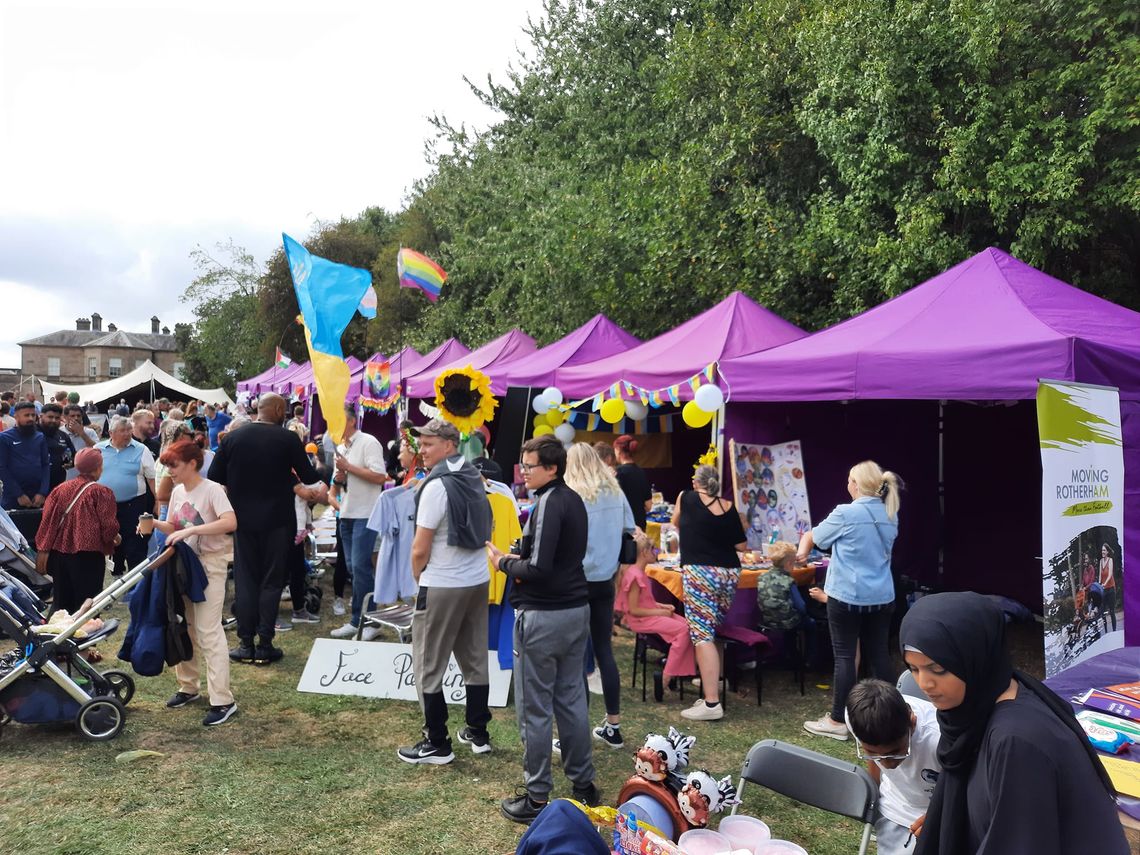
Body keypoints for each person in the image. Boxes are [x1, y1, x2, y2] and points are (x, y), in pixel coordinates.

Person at [899, 591, 1128, 855]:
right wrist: (954, 818)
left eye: (938, 669)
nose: (925, 683)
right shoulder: (977, 708)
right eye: (913, 669)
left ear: (975, 658)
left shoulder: (1017, 741)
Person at [487, 435, 599, 824]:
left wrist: (503, 562)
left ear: (551, 468)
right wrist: (522, 556)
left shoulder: (550, 502)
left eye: (530, 466)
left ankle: (536, 797)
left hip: (545, 616)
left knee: (535, 709)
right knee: (571, 701)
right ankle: (583, 785)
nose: (523, 472)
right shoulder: (571, 499)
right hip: (573, 611)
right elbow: (554, 559)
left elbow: (539, 570)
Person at [397, 418, 493, 766]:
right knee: (474, 658)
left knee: (427, 664)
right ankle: (478, 732)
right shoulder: (473, 475)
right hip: (476, 579)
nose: (420, 450)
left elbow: (420, 548)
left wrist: (416, 576)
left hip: (442, 583)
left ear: (448, 445)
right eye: (420, 444)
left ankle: (437, 741)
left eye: (427, 444)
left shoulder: (436, 486)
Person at [208, 392, 320, 665]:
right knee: (271, 581)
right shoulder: (288, 439)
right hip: (278, 521)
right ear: (280, 410)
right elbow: (309, 477)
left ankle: (246, 644)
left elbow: (214, 476)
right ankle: (265, 643)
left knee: (246, 579)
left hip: (243, 520)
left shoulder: (233, 438)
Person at [800, 460, 901, 741]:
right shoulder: (890, 512)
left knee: (845, 657)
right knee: (879, 654)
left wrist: (801, 550)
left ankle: (837, 721)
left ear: (855, 484)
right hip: (882, 595)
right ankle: (897, 713)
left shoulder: (846, 513)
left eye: (849, 480)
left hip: (847, 595)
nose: (847, 484)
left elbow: (817, 537)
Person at [150, 439, 239, 726]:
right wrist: (152, 524)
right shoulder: (177, 492)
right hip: (183, 567)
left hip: (211, 566)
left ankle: (223, 700)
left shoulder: (212, 489)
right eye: (166, 466)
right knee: (184, 625)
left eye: (173, 466)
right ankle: (188, 686)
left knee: (208, 630)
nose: (169, 471)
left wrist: (192, 531)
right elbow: (176, 527)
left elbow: (230, 522)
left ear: (192, 463)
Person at [563, 443, 635, 749]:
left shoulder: (571, 493)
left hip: (577, 580)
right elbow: (630, 529)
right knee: (604, 650)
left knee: (578, 655)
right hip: (605, 578)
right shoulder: (615, 492)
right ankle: (613, 724)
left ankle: (578, 730)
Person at [671, 463, 746, 721]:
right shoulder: (728, 506)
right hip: (729, 572)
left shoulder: (686, 497)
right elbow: (742, 545)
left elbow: (675, 521)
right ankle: (716, 679)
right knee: (713, 628)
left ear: (696, 482)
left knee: (702, 634)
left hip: (700, 571)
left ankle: (712, 703)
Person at [845, 679, 941, 855]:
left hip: (938, 812)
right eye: (874, 752)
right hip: (894, 807)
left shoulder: (939, 739)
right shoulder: (856, 718)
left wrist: (938, 818)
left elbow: (966, 789)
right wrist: (874, 794)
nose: (887, 764)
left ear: (912, 723)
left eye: (895, 751)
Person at [329, 402, 389, 638]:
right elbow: (340, 483)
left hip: (366, 514)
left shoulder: (368, 442)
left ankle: (368, 622)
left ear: (352, 420)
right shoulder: (343, 447)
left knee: (361, 568)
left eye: (339, 420)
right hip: (347, 514)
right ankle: (360, 620)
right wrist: (340, 476)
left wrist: (349, 468)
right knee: (355, 568)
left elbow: (380, 476)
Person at [35, 448, 120, 612]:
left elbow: (47, 522)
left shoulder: (60, 489)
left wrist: (44, 547)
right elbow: (108, 527)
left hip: (59, 555)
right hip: (87, 556)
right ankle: (82, 637)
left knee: (61, 605)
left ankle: (58, 636)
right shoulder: (100, 492)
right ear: (97, 468)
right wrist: (115, 537)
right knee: (87, 606)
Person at [616, 529, 696, 681]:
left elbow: (644, 602)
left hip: (648, 616)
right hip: (641, 620)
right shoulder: (635, 576)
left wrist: (662, 607)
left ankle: (676, 671)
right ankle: (667, 676)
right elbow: (634, 610)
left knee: (688, 626)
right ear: (645, 552)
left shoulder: (640, 573)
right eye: (655, 549)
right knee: (684, 630)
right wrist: (659, 612)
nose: (657, 552)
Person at [96, 415, 157, 577]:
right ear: (111, 433)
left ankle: (137, 582)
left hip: (134, 505)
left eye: (129, 429)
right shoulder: (98, 449)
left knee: (136, 544)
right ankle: (117, 577)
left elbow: (152, 478)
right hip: (106, 507)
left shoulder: (141, 449)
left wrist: (158, 501)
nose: (127, 433)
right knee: (112, 543)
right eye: (122, 430)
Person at [0, 401, 49, 511]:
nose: (31, 418)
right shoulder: (4, 438)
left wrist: (42, 492)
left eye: (33, 415)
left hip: (38, 498)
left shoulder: (40, 437)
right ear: (16, 417)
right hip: (13, 497)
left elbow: (45, 465)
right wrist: (18, 494)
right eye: (27, 415)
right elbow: (2, 468)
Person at [613, 435, 651, 530]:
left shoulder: (616, 473)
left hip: (623, 525)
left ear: (618, 450)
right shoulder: (641, 472)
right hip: (640, 524)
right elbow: (648, 506)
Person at [38, 403, 75, 492]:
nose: (54, 420)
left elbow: (73, 455)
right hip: (35, 487)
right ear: (41, 416)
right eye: (50, 417)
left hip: (57, 486)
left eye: (57, 418)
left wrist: (71, 462)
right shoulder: (32, 434)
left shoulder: (63, 436)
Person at [1100, 543, 1117, 632]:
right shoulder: (1100, 561)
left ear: (1107, 552)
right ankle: (1106, 632)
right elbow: (1100, 576)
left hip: (1110, 589)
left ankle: (1114, 631)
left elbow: (1110, 574)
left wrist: (1105, 583)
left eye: (1104, 550)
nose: (1102, 552)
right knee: (1102, 612)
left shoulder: (1110, 560)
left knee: (1112, 611)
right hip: (1103, 590)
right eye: (1102, 550)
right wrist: (1099, 585)